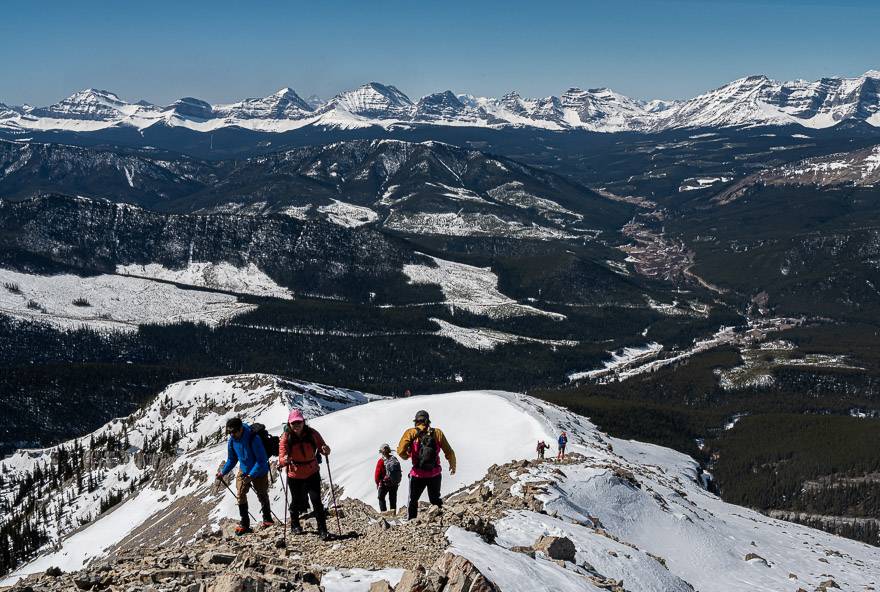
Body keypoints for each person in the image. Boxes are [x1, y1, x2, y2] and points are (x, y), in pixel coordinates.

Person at [278, 409, 332, 540]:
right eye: (293, 423)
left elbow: (323, 448)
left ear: (303, 422)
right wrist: (285, 460)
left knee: (316, 501)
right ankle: (295, 525)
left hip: (310, 472)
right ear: (289, 424)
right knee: (296, 501)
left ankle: (322, 530)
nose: (296, 425)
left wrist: (326, 450)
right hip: (296, 474)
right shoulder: (286, 437)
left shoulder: (312, 434)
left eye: (299, 422)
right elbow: (281, 456)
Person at [215, 417, 272, 535]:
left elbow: (261, 460)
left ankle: (267, 519)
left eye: (234, 431)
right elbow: (232, 459)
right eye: (229, 432)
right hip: (244, 469)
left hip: (259, 470)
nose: (232, 434)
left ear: (241, 429)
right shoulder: (232, 440)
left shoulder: (253, 438)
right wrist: (223, 472)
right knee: (240, 494)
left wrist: (251, 475)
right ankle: (245, 523)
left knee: (262, 493)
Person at [397, 410, 456, 520]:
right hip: (435, 473)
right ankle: (440, 521)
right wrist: (453, 465)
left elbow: (400, 451)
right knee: (435, 500)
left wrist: (408, 455)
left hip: (417, 474)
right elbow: (449, 451)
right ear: (428, 421)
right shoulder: (437, 433)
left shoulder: (411, 433)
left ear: (416, 421)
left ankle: (411, 523)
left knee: (413, 500)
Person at [374, 443, 402, 513]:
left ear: (381, 452)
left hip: (385, 483)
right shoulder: (394, 459)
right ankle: (393, 513)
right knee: (393, 499)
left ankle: (384, 513)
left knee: (381, 498)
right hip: (394, 483)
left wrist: (378, 484)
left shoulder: (381, 461)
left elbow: (377, 475)